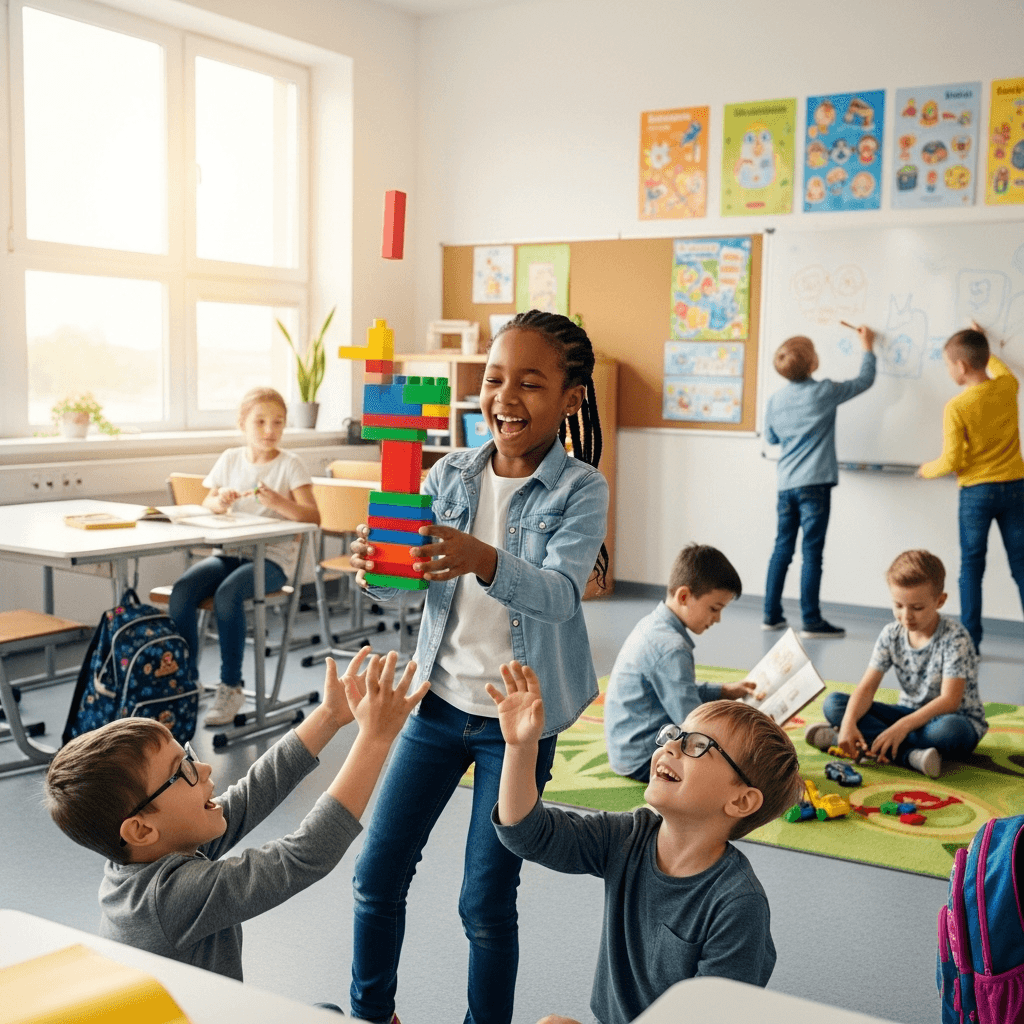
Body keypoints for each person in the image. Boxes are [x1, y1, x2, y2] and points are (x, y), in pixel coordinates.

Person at [348, 310, 610, 1024]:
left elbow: (559, 597)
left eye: (530, 382)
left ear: (571, 399)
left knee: (485, 901)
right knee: (376, 875)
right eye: (496, 379)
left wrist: (482, 556)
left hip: (518, 723)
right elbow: (413, 586)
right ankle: (371, 1014)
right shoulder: (449, 472)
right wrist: (378, 570)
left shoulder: (580, 489)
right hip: (436, 704)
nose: (505, 397)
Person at [43, 649, 429, 991]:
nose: (206, 769)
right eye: (184, 771)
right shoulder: (168, 898)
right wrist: (375, 739)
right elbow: (303, 856)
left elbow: (253, 791)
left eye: (190, 756)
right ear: (141, 828)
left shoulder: (148, 852)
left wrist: (329, 715)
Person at [488, 661, 801, 1024]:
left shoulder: (738, 905)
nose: (671, 748)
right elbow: (529, 834)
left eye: (698, 745)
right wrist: (520, 747)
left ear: (741, 801)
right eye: (675, 735)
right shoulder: (629, 837)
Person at [168, 386, 321, 727]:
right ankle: (186, 680)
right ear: (243, 424)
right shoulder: (230, 459)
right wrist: (219, 501)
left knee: (228, 595)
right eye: (261, 421)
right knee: (181, 591)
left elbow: (313, 518)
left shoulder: (290, 465)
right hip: (230, 554)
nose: (270, 430)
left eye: (278, 422)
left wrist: (278, 503)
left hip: (273, 562)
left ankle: (231, 686)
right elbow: (207, 503)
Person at [805, 550, 986, 779]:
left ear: (940, 601)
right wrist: (850, 722)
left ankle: (851, 740)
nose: (906, 616)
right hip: (907, 713)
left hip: (949, 720)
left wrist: (901, 728)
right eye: (898, 605)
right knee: (835, 704)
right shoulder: (891, 634)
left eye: (917, 608)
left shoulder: (956, 638)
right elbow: (867, 687)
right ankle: (910, 755)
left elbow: (950, 701)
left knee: (950, 732)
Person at [604, 543, 755, 781]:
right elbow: (694, 724)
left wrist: (725, 691)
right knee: (732, 770)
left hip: (628, 747)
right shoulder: (671, 648)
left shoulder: (654, 624)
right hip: (643, 758)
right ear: (684, 596)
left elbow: (679, 691)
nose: (717, 619)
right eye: (714, 608)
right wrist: (743, 730)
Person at [762, 325, 876, 638]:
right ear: (813, 364)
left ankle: (771, 615)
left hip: (786, 483)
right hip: (815, 485)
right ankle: (811, 620)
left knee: (782, 548)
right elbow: (864, 381)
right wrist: (867, 347)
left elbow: (771, 437)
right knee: (812, 552)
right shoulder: (823, 391)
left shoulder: (775, 400)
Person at [917, 323, 1024, 652]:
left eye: (948, 364)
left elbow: (951, 459)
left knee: (971, 568)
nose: (948, 370)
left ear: (960, 366)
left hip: (977, 494)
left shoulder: (957, 407)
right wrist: (983, 343)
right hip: (1016, 488)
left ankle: (972, 643)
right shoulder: (1008, 386)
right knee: (1021, 565)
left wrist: (925, 470)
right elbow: (996, 366)